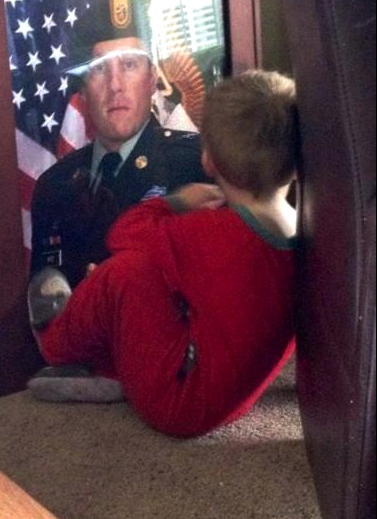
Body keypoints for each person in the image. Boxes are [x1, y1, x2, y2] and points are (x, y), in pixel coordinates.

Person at [28, 70, 300, 439]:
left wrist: (176, 202)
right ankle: (110, 372)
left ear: (208, 161)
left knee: (124, 272)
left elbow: (123, 234)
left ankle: (56, 341)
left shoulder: (212, 231)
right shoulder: (305, 234)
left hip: (180, 403)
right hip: (237, 395)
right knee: (160, 277)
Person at [28, 0, 207, 318]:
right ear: (82, 89)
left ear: (153, 79)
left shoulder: (195, 166)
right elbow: (46, 297)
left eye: (129, 65)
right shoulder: (54, 186)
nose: (115, 85)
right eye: (99, 69)